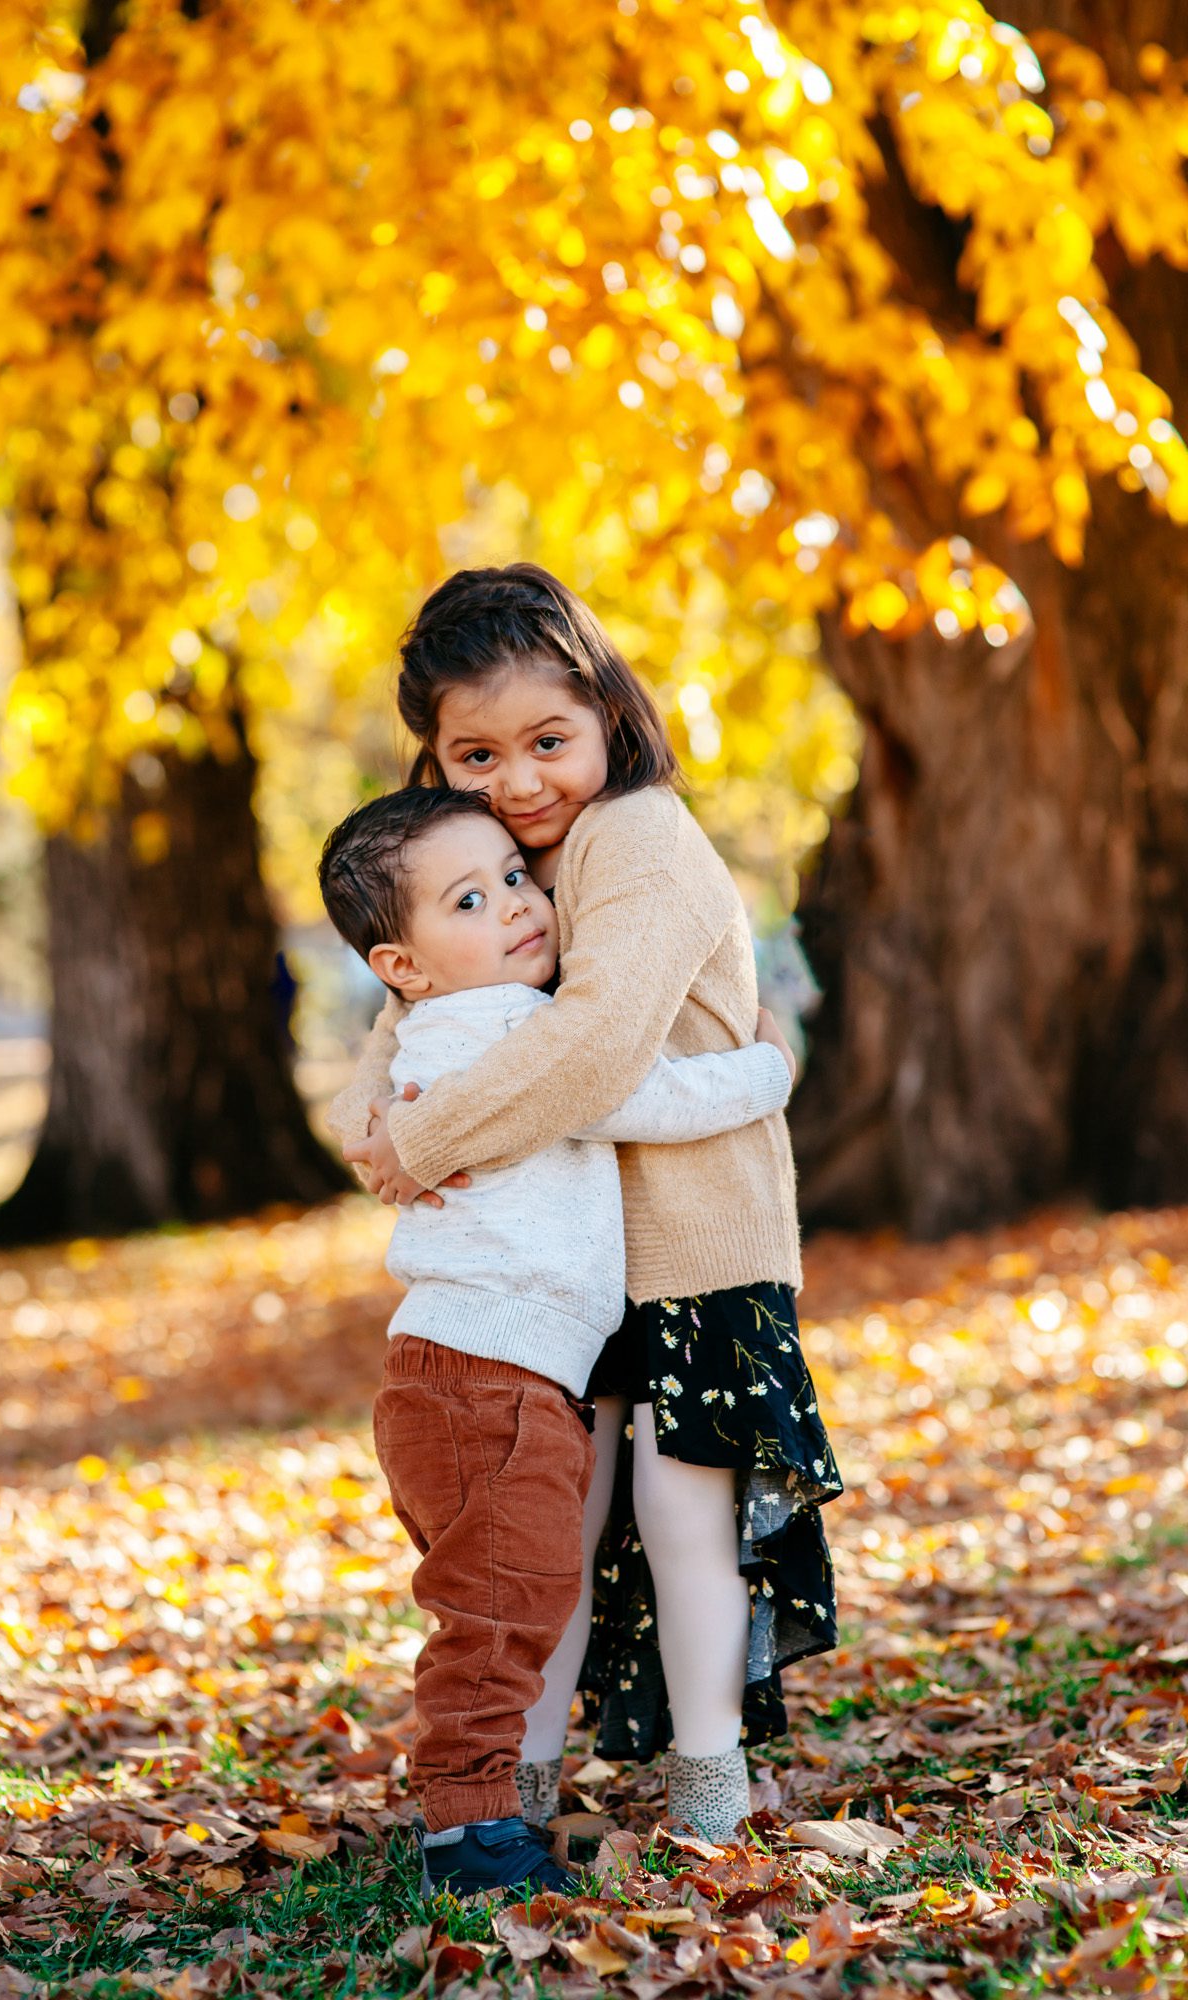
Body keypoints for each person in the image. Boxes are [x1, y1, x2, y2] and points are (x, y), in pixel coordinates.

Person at [334, 563, 843, 1850]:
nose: (516, 778)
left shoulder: (640, 837)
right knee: (546, 1527)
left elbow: (599, 1042)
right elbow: (419, 1006)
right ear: (434, 757)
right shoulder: (505, 859)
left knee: (684, 1514)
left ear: (610, 714)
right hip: (581, 1256)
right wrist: (371, 1114)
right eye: (474, 753)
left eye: (546, 741)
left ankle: (709, 1778)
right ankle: (522, 1780)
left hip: (697, 1239)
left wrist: (420, 1135)